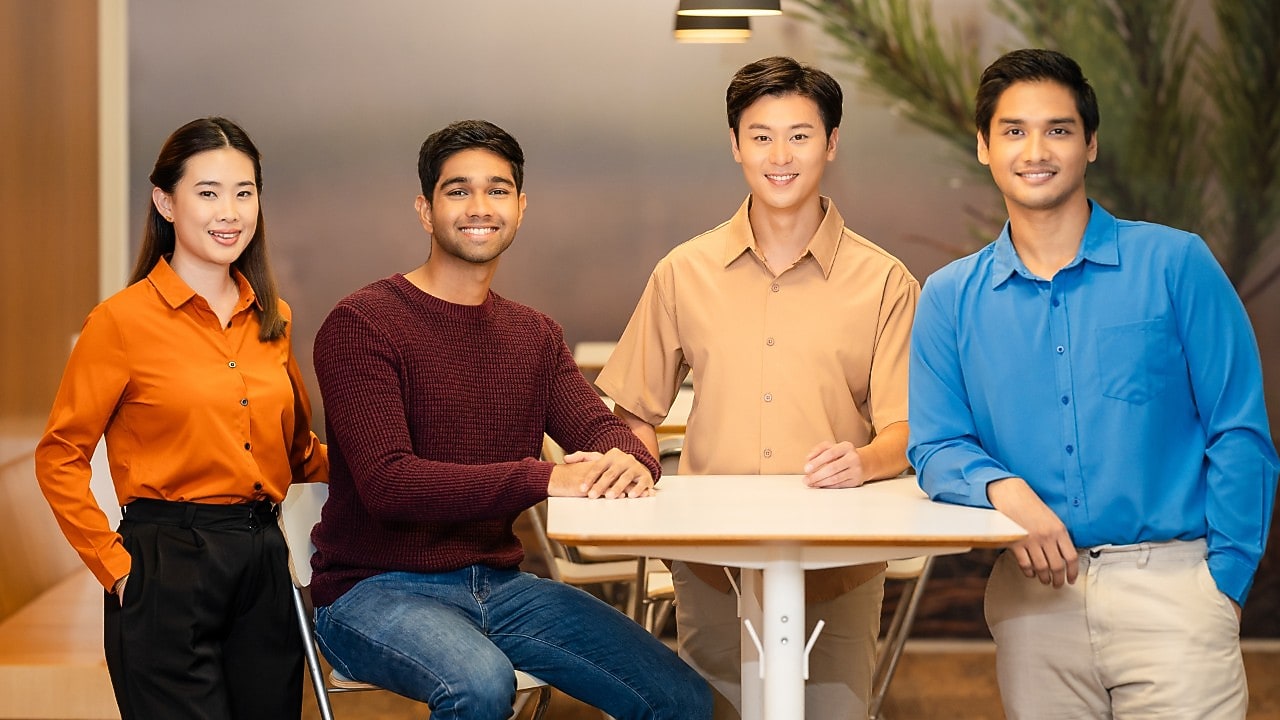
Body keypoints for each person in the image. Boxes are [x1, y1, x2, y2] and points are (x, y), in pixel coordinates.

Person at [908, 48, 1280, 719]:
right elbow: (936, 444)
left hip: (1175, 593)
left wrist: (1223, 584)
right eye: (1013, 131)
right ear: (984, 149)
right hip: (1033, 603)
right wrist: (1002, 489)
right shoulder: (948, 297)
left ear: (1091, 144)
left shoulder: (1176, 263)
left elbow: (1240, 429)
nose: (1035, 150)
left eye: (1058, 129)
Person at [308, 119, 711, 720]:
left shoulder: (533, 336)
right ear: (425, 210)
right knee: (481, 683)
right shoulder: (363, 324)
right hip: (373, 590)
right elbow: (389, 484)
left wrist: (628, 462)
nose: (480, 206)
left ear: (521, 208)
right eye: (457, 190)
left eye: (497, 190)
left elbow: (610, 437)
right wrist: (544, 478)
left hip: (499, 586)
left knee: (681, 698)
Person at [598, 56, 918, 719]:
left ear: (831, 144)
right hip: (713, 559)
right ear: (735, 144)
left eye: (800, 135)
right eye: (761, 135)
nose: (780, 154)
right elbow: (631, 414)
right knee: (713, 711)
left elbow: (907, 431)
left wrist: (861, 462)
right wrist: (636, 468)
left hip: (840, 558)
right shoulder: (683, 271)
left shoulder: (885, 281)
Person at [34, 117, 327, 719]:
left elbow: (297, 452)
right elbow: (59, 455)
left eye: (244, 193)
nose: (231, 212)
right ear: (165, 202)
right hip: (165, 566)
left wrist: (393, 462)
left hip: (263, 563)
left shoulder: (273, 319)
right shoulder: (119, 322)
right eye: (209, 192)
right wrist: (117, 572)